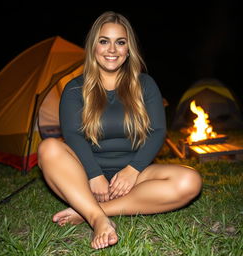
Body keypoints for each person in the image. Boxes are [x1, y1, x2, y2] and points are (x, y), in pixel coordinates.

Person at [37, 11, 202, 250]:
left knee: (190, 181)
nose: (112, 49)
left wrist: (133, 169)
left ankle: (89, 211)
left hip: (134, 175)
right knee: (48, 148)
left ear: (128, 49)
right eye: (104, 41)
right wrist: (94, 175)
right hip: (85, 177)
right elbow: (72, 135)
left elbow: (157, 132)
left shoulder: (145, 84)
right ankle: (97, 218)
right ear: (93, 46)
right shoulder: (75, 88)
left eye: (120, 42)